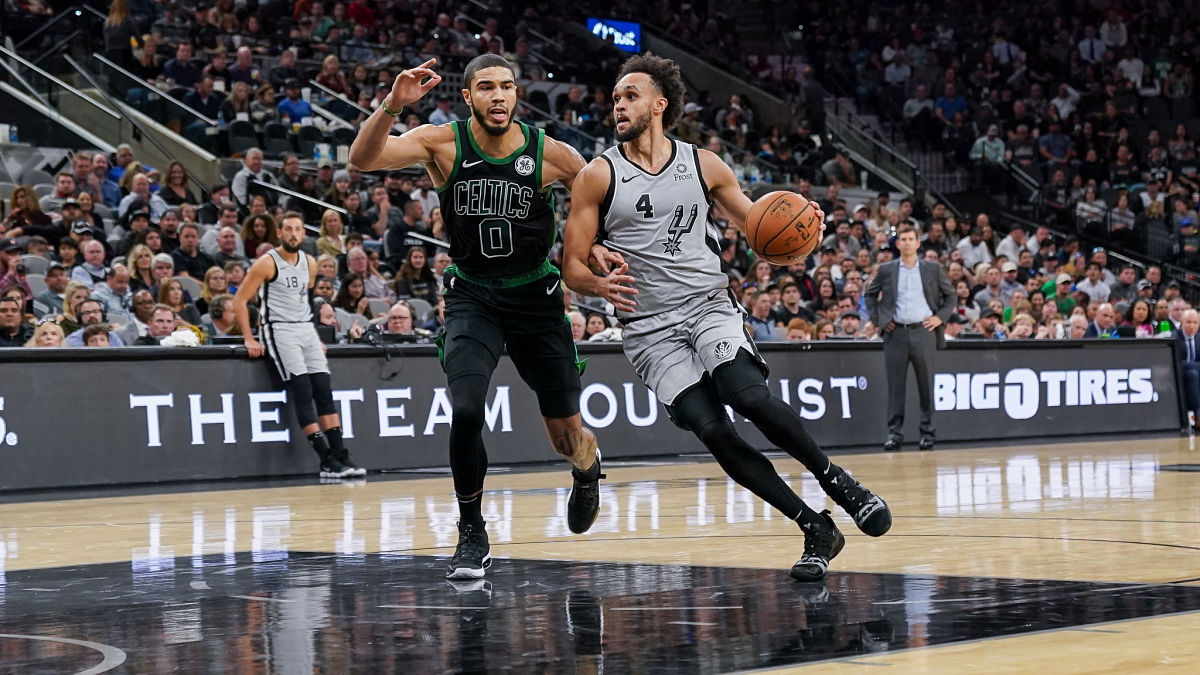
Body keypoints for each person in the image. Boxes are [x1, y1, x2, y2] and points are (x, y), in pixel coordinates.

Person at [562, 53, 891, 583]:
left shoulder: (705, 165)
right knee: (715, 432)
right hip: (648, 329)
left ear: (660, 104)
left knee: (746, 395)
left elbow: (763, 233)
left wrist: (803, 230)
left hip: (708, 305)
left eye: (631, 95)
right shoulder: (597, 176)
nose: (619, 105)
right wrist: (597, 284)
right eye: (616, 97)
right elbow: (571, 265)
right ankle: (815, 528)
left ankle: (836, 480)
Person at [349, 55, 608, 580]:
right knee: (466, 410)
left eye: (507, 87)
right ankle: (472, 528)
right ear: (467, 96)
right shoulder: (441, 142)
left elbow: (596, 202)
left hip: (536, 296)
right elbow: (363, 159)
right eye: (486, 87)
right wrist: (392, 105)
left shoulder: (551, 152)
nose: (499, 96)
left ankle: (586, 470)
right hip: (473, 296)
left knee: (565, 435)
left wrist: (594, 246)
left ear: (516, 95)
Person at [234, 212, 364, 480]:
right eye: (288, 229)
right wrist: (249, 337)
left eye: (298, 229)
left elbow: (302, 301)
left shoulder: (310, 263)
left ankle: (341, 454)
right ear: (279, 233)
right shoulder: (265, 264)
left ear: (304, 234)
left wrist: (314, 336)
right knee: (303, 389)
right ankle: (325, 459)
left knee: (324, 391)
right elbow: (239, 300)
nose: (294, 234)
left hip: (305, 328)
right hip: (279, 329)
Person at [865, 226, 956, 452]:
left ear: (917, 243)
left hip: (923, 331)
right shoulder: (886, 269)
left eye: (910, 239)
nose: (906, 243)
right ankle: (894, 434)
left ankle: (927, 433)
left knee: (926, 386)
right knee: (896, 387)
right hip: (895, 333)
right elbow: (869, 294)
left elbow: (951, 295)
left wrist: (940, 318)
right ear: (897, 244)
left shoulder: (932, 269)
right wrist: (880, 320)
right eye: (902, 239)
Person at [1176, 309, 1200, 432]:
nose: (1192, 326)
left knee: (1194, 373)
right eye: (1188, 322)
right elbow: (1175, 361)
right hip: (1178, 373)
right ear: (1182, 323)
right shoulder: (1174, 337)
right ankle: (1197, 416)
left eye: (1195, 323)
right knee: (1193, 374)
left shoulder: (1199, 338)